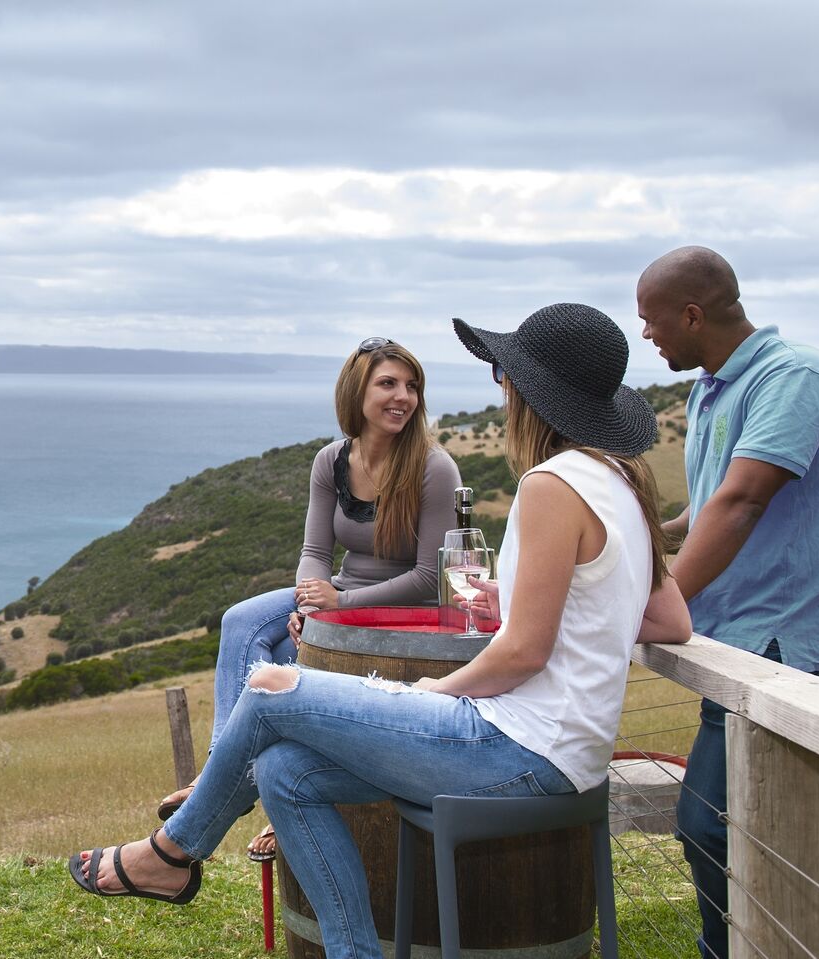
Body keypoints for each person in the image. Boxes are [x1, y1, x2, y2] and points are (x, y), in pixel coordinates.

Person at [68, 303, 692, 959]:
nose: (501, 393)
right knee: (285, 772)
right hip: (561, 751)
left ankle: (172, 851)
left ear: (526, 393)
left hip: (519, 749)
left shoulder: (549, 486)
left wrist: (429, 691)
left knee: (274, 685)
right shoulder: (622, 478)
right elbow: (667, 617)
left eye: (502, 378)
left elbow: (524, 650)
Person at [635, 246, 819, 959]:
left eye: (652, 321)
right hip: (734, 637)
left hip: (784, 640)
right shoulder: (713, 387)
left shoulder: (790, 376)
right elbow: (705, 511)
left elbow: (741, 503)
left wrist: (655, 602)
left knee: (716, 824)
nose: (648, 336)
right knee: (737, 829)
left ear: (693, 314)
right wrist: (631, 536)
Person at [162, 337, 462, 858]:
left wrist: (336, 609)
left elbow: (431, 578)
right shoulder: (331, 460)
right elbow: (314, 550)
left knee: (285, 657)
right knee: (242, 621)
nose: (403, 397)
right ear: (356, 392)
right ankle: (223, 771)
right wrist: (308, 605)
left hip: (402, 610)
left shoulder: (434, 468)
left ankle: (229, 787)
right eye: (388, 383)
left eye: (411, 386)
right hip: (340, 595)